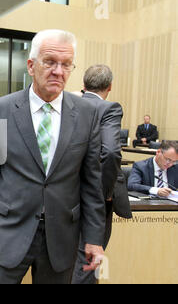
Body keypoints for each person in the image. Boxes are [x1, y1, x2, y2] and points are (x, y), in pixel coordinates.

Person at [0, 29, 105, 284]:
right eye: (50, 62)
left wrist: (94, 238)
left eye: (66, 65)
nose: (59, 71)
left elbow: (91, 185)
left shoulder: (87, 115)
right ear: (31, 66)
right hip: (9, 231)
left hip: (61, 237)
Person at [72, 64, 132, 284]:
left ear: (83, 85)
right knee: (89, 261)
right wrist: (104, 193)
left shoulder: (69, 106)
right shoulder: (109, 108)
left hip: (65, 195)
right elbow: (111, 152)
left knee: (67, 260)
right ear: (110, 86)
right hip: (96, 200)